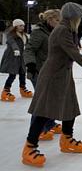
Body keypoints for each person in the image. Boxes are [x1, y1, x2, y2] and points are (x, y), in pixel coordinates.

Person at [21, 2, 82, 167]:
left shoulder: (69, 30)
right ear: (73, 18)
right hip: (52, 76)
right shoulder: (62, 31)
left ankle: (67, 139)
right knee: (43, 112)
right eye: (79, 18)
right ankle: (29, 147)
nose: (80, 21)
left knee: (70, 107)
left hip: (63, 75)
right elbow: (75, 54)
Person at [24, 9, 62, 140]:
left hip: (50, 72)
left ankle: (49, 123)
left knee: (51, 99)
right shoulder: (39, 33)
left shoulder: (55, 32)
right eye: (57, 20)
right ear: (49, 19)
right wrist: (30, 64)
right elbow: (29, 49)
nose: (60, 23)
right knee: (41, 102)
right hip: (38, 71)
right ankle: (37, 130)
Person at [1, 19, 33, 102]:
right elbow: (12, 43)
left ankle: (23, 89)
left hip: (21, 57)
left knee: (22, 73)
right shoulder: (11, 34)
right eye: (20, 26)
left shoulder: (24, 35)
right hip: (12, 56)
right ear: (15, 26)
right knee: (12, 74)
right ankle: (5, 91)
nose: (22, 27)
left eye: (23, 26)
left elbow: (28, 44)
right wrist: (16, 49)